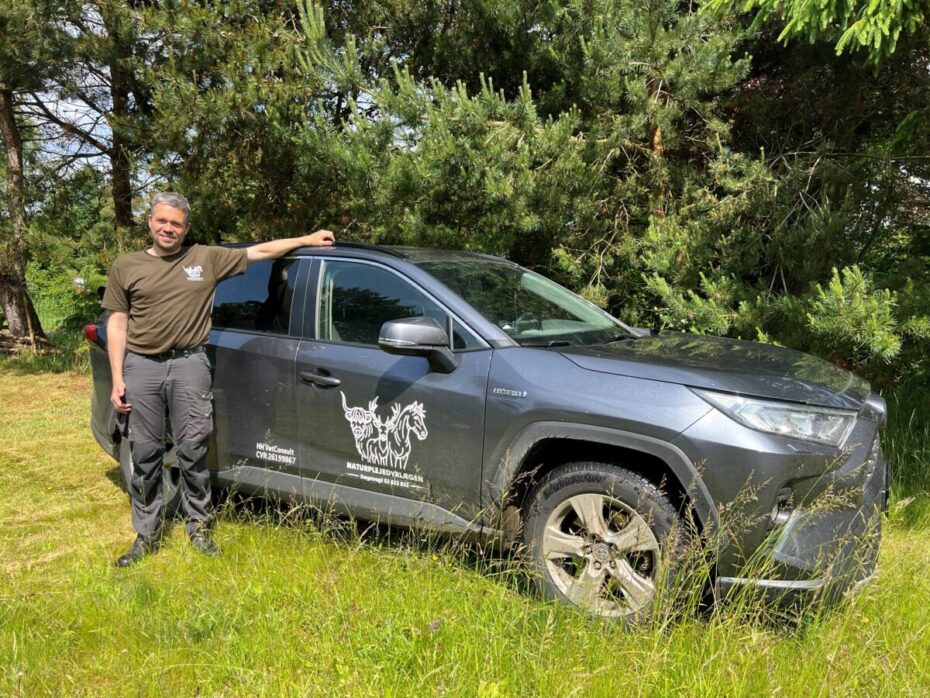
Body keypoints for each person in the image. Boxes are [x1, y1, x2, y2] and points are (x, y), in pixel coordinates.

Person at [103, 191, 335, 566]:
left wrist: (306, 239)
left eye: (176, 223)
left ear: (186, 228)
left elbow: (260, 252)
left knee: (194, 448)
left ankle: (198, 527)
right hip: (142, 365)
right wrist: (118, 376)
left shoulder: (204, 258)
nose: (168, 228)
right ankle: (146, 534)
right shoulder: (127, 265)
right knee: (144, 451)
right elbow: (117, 323)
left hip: (189, 362)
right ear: (150, 222)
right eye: (162, 221)